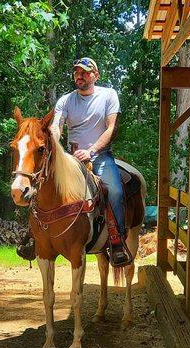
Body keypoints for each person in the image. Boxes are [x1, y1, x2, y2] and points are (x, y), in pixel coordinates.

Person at [50, 57, 132, 267]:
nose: (80, 76)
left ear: (96, 75)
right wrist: (53, 143)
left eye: (85, 72)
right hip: (70, 157)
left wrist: (92, 150)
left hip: (100, 155)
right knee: (40, 182)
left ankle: (117, 241)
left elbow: (111, 127)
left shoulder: (108, 95)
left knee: (114, 189)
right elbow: (57, 126)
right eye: (77, 72)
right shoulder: (66, 100)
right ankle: (35, 236)